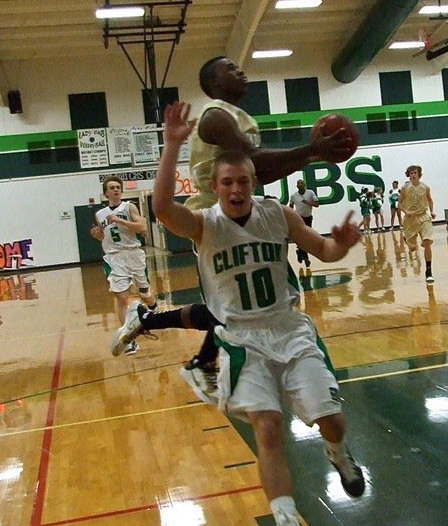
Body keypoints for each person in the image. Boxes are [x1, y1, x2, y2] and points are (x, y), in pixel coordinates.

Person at [152, 100, 366, 526]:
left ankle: (338, 450)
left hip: (289, 330)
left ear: (254, 183)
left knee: (329, 419)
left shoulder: (278, 215)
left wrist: (341, 245)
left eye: (243, 181)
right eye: (227, 182)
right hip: (241, 340)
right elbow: (162, 206)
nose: (235, 189)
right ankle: (288, 524)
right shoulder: (204, 225)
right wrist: (171, 146)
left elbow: (323, 250)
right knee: (267, 429)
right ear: (214, 187)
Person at [111, 56, 351, 395]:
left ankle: (160, 329)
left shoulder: (238, 117)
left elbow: (258, 171)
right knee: (242, 308)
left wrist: (311, 154)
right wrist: (311, 151)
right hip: (213, 218)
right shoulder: (215, 118)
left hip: (244, 217)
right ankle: (199, 359)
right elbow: (252, 162)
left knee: (237, 305)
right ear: (213, 83)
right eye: (230, 68)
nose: (240, 70)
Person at [93, 176, 158, 356]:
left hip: (133, 255)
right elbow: (106, 236)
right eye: (112, 188)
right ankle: (128, 340)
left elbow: (143, 228)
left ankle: (153, 307)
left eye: (118, 187)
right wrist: (98, 236)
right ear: (106, 193)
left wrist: (120, 221)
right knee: (121, 298)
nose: (116, 190)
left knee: (145, 293)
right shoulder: (100, 214)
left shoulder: (129, 207)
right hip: (114, 258)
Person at [398, 165, 436, 283]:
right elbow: (399, 204)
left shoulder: (425, 187)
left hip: (424, 217)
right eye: (411, 173)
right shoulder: (405, 188)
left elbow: (430, 199)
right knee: (413, 248)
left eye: (415, 173)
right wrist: (406, 211)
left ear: (419, 174)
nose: (413, 175)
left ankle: (428, 271)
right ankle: (408, 241)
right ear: (408, 175)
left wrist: (432, 211)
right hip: (410, 219)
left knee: (427, 242)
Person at [287, 178, 319, 269]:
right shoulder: (293, 196)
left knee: (307, 238)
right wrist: (290, 217)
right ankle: (306, 257)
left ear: (304, 185)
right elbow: (291, 206)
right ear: (297, 186)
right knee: (301, 237)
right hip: (298, 218)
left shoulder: (310, 193)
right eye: (298, 183)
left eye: (301, 183)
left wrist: (308, 202)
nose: (300, 184)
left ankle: (300, 252)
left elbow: (317, 204)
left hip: (308, 218)